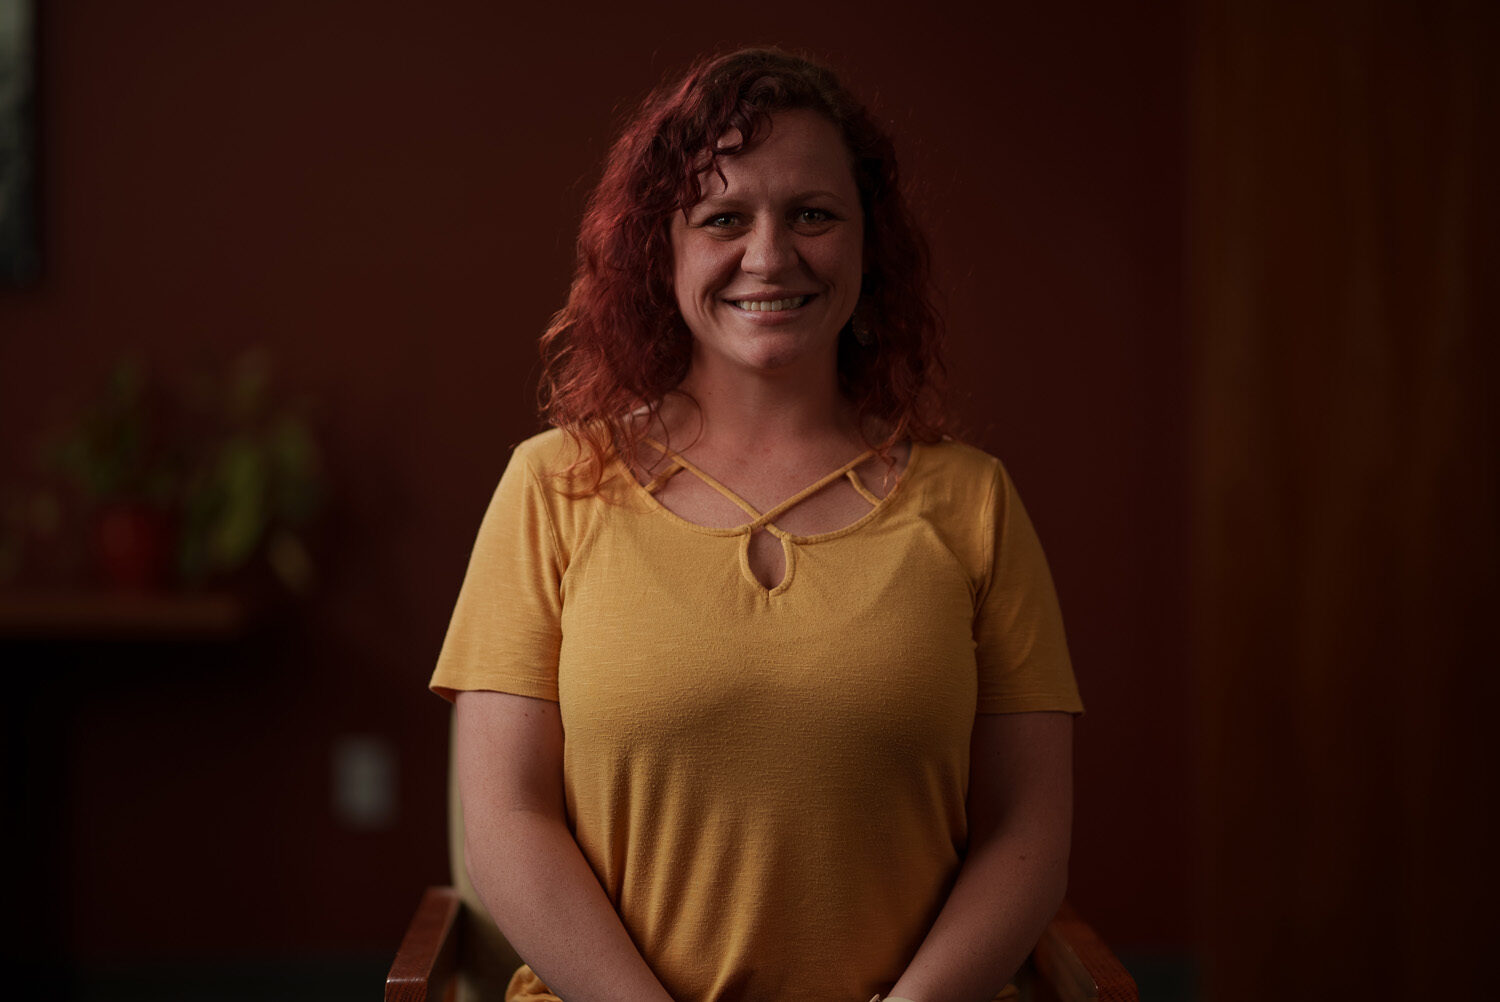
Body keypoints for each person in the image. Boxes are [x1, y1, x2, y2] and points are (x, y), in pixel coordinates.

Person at [430, 47, 1082, 1002]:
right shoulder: (552, 487)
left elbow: (1028, 831)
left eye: (812, 215)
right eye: (723, 219)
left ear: (870, 245)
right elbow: (504, 816)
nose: (769, 256)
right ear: (664, 248)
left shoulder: (975, 505)